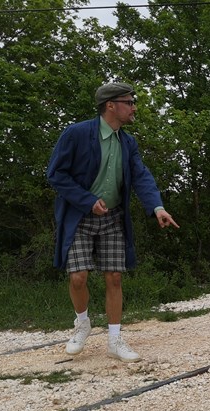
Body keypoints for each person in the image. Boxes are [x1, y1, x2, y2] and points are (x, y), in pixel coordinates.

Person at [47, 82, 179, 363]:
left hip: (113, 217)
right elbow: (56, 174)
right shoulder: (77, 133)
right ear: (110, 105)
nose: (134, 107)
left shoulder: (127, 142)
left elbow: (141, 175)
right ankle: (82, 323)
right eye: (129, 102)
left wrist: (157, 207)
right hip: (79, 216)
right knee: (78, 276)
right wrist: (86, 200)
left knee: (114, 277)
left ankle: (115, 340)